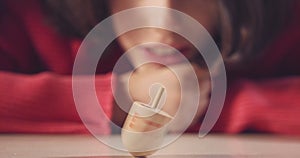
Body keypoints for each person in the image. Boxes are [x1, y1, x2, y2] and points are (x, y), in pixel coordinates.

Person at [0, 0, 300, 135]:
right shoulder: (27, 13)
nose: (164, 23)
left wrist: (222, 102)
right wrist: (123, 96)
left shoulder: (281, 16)